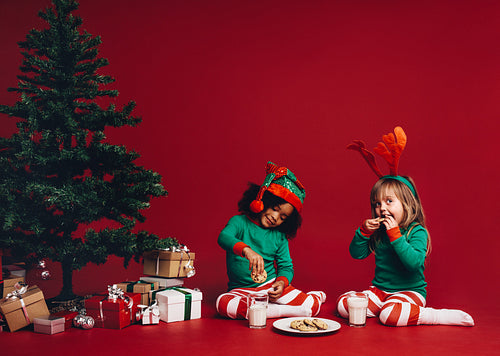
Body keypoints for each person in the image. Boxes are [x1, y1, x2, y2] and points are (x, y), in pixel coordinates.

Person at [337, 127, 474, 327]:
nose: (382, 208)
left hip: (410, 292)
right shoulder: (380, 232)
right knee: (343, 305)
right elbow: (356, 254)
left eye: (389, 201)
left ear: (407, 204)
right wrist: (364, 232)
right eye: (377, 204)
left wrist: (396, 235)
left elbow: (413, 263)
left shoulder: (417, 231)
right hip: (380, 290)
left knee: (390, 316)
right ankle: (386, 307)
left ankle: (435, 316)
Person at [216, 161, 326, 320]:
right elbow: (223, 237)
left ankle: (311, 298)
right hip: (241, 290)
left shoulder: (279, 236)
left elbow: (286, 266)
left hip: (269, 287)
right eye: (275, 209)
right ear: (264, 200)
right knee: (223, 304)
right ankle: (282, 312)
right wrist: (246, 250)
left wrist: (281, 284)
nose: (275, 218)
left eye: (283, 217)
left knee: (312, 306)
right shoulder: (239, 222)